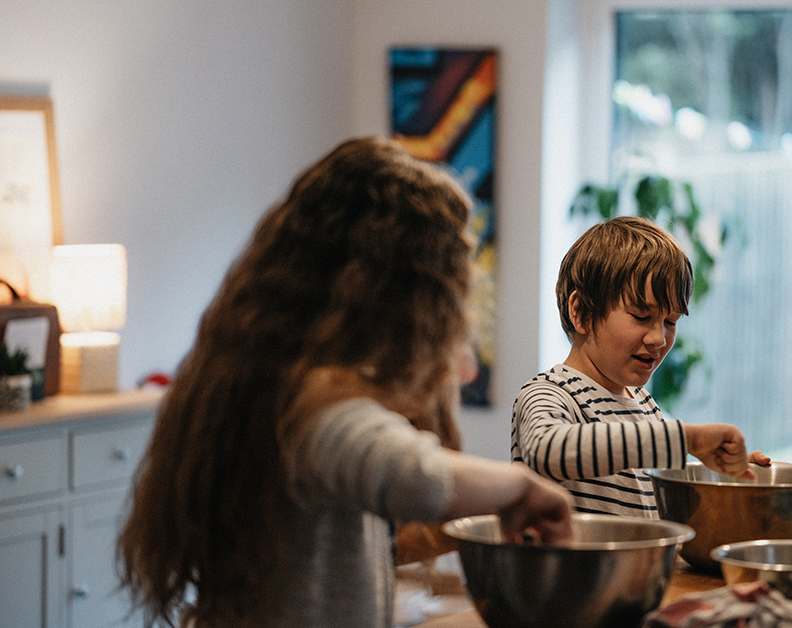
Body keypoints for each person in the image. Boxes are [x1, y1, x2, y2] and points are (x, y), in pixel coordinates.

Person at [118, 138, 574, 628]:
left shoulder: (261, 375)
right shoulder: (313, 404)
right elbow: (413, 476)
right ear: (400, 293)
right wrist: (522, 487)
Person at [511, 216, 769, 518]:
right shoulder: (549, 394)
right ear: (580, 312)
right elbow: (547, 450)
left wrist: (722, 471)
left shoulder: (643, 403)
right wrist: (688, 439)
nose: (659, 338)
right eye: (641, 316)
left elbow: (646, 469)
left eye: (670, 322)